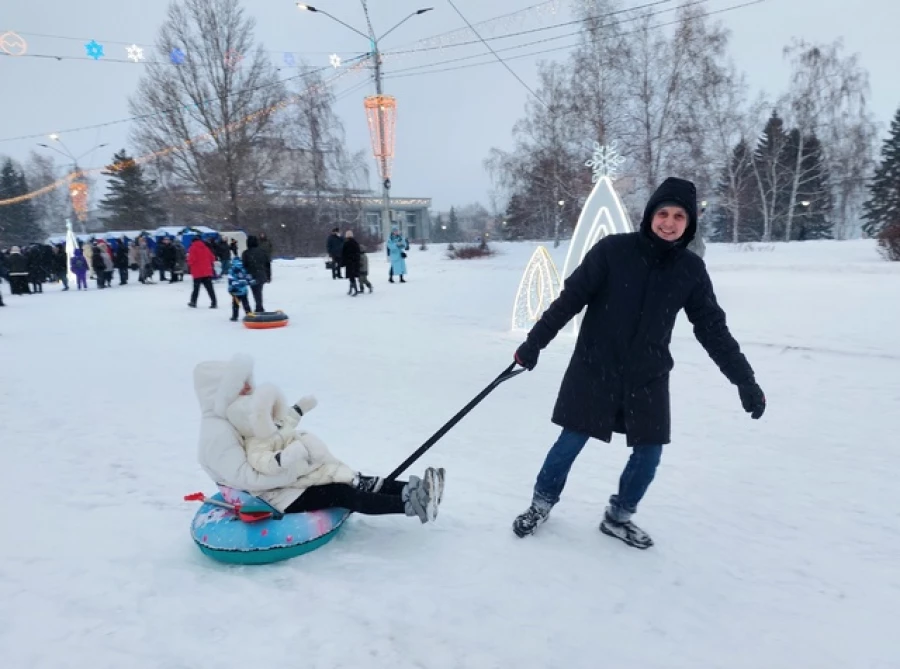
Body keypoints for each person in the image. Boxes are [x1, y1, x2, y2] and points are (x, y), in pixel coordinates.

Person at [511, 177, 766, 549]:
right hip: (594, 367)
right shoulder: (612, 251)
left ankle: (619, 517)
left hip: (647, 376)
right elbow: (569, 300)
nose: (669, 222)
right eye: (663, 213)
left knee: (649, 453)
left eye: (679, 216)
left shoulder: (690, 270)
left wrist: (745, 379)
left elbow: (713, 329)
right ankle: (541, 504)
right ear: (649, 215)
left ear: (689, 223)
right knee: (570, 441)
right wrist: (534, 344)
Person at [194, 353, 445, 522]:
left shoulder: (237, 415)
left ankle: (419, 491)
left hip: (283, 481)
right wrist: (300, 467)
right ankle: (412, 505)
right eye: (239, 384)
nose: (249, 387)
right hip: (272, 496)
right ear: (221, 393)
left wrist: (296, 414)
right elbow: (250, 477)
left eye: (247, 381)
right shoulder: (218, 433)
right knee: (342, 492)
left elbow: (275, 432)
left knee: (352, 478)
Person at [186, 237, 218, 309]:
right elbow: (212, 258)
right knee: (210, 288)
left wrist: (189, 264)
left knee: (196, 288)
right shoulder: (206, 247)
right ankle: (214, 302)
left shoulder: (192, 248)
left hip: (197, 272)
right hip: (207, 271)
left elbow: (191, 259)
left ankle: (193, 302)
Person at [241, 236, 269, 312]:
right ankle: (259, 307)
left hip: (251, 275)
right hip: (261, 274)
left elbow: (244, 265)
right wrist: (268, 276)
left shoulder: (246, 253)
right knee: (259, 291)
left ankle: (258, 307)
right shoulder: (262, 252)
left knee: (255, 291)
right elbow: (267, 264)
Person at [227, 257, 253, 322]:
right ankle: (249, 314)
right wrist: (249, 281)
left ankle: (235, 316)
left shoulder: (231, 270)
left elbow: (230, 281)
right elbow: (248, 278)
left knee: (235, 304)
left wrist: (230, 289)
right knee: (245, 303)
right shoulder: (244, 269)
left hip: (235, 291)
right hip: (244, 290)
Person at [340, 230, 362, 296]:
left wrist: (342, 263)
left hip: (349, 262)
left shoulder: (346, 243)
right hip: (355, 262)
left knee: (351, 277)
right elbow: (358, 253)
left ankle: (354, 290)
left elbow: (343, 254)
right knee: (353, 276)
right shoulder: (355, 243)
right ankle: (351, 290)